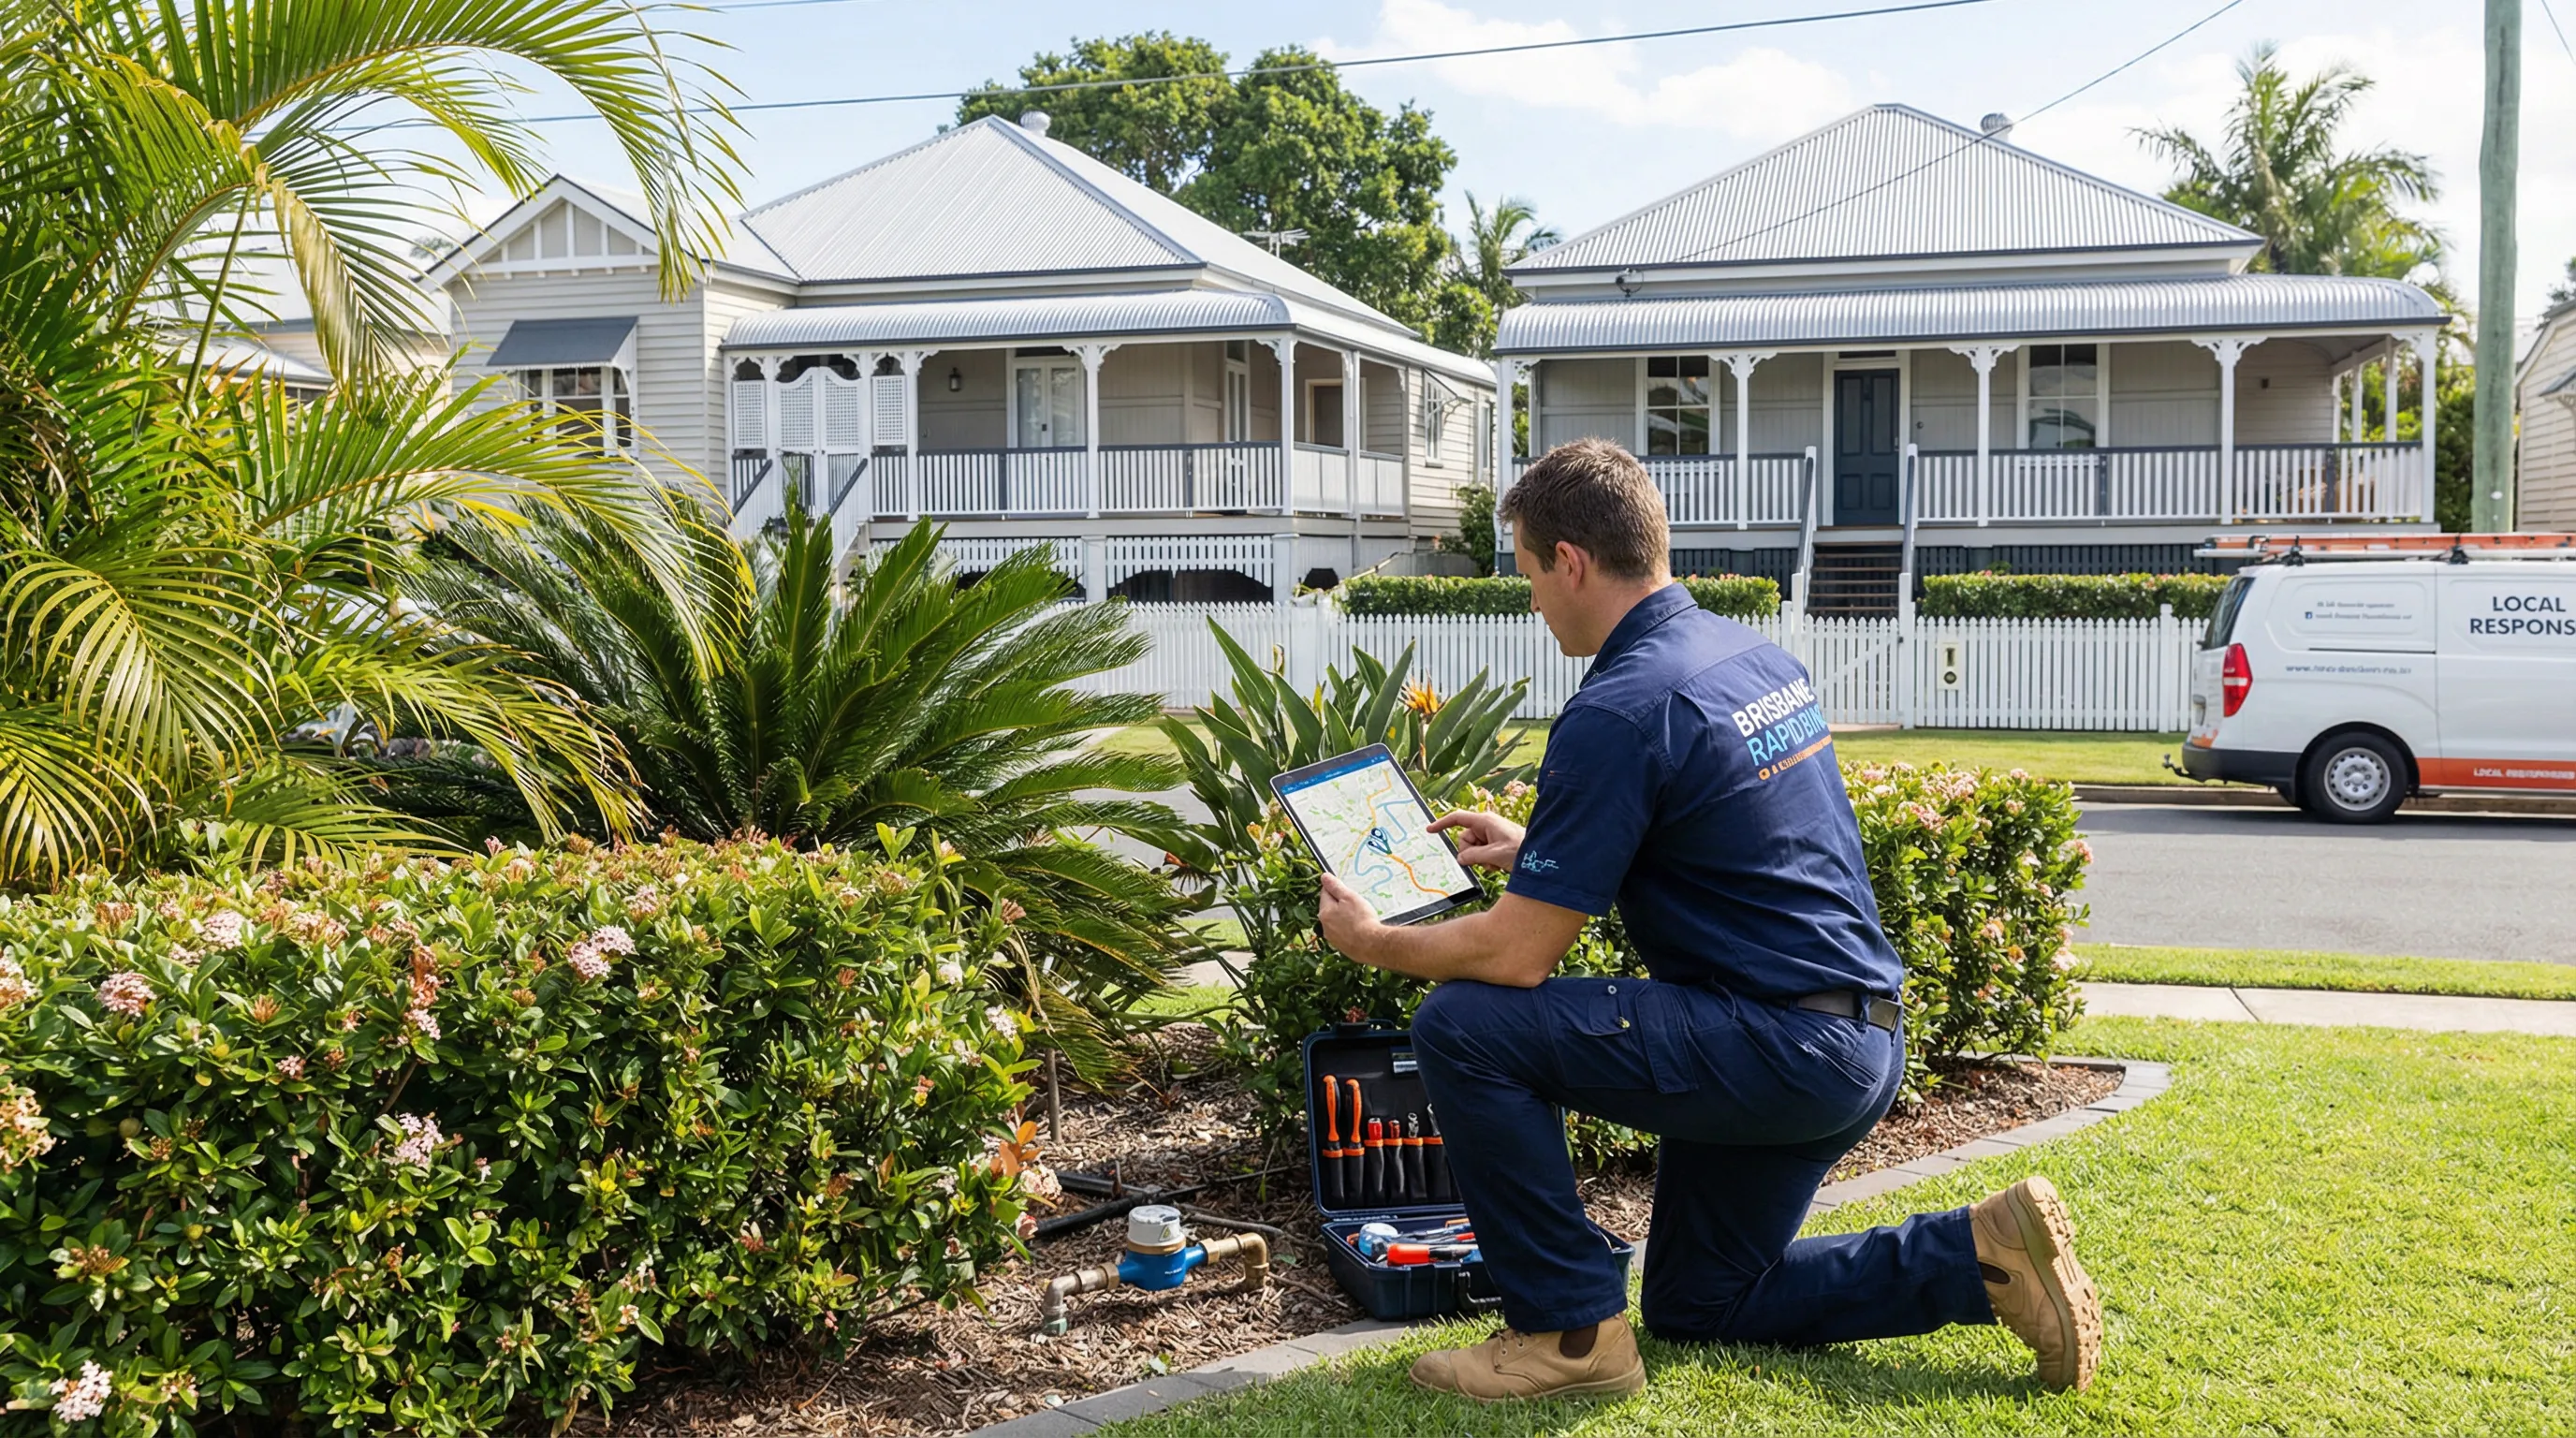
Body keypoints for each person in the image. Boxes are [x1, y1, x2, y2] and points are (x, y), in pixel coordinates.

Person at [1314, 438, 2100, 1403]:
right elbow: (1725, 832)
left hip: (1779, 1046)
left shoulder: (1617, 707)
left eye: (1526, 575)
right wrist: (1544, 845)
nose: (1530, 602)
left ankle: (1567, 1336)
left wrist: (1374, 941)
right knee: (1701, 1299)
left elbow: (1514, 958)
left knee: (1462, 1026)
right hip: (1855, 1036)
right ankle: (1974, 1256)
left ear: (1571, 561)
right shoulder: (1746, 656)